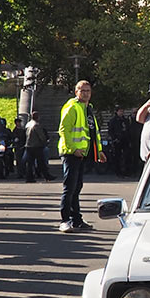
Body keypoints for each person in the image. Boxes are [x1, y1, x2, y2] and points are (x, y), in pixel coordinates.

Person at [58, 81, 104, 233]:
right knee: (69, 187)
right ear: (76, 92)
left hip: (82, 154)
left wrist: (99, 151)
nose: (85, 93)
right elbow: (64, 130)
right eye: (82, 90)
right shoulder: (73, 107)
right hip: (71, 153)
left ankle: (76, 219)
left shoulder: (88, 108)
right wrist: (73, 148)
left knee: (77, 188)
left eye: (88, 91)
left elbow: (93, 132)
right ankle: (65, 220)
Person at [22, 114, 53, 182]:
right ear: (38, 117)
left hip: (28, 145)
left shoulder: (28, 124)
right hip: (36, 146)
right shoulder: (36, 125)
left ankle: (29, 177)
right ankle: (46, 175)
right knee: (41, 162)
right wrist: (45, 142)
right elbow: (41, 136)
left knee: (30, 163)